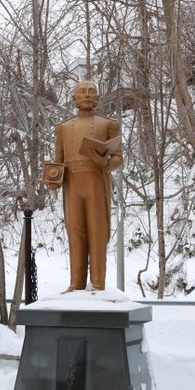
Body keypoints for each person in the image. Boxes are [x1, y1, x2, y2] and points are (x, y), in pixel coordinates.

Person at [51, 80, 122, 291]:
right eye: (82, 92)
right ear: (74, 98)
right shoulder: (63, 128)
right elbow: (58, 160)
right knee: (76, 232)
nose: (87, 95)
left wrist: (106, 163)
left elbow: (118, 157)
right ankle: (76, 283)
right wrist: (53, 178)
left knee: (98, 232)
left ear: (98, 97)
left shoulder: (108, 124)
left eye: (92, 91)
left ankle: (98, 282)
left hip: (96, 182)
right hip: (72, 184)